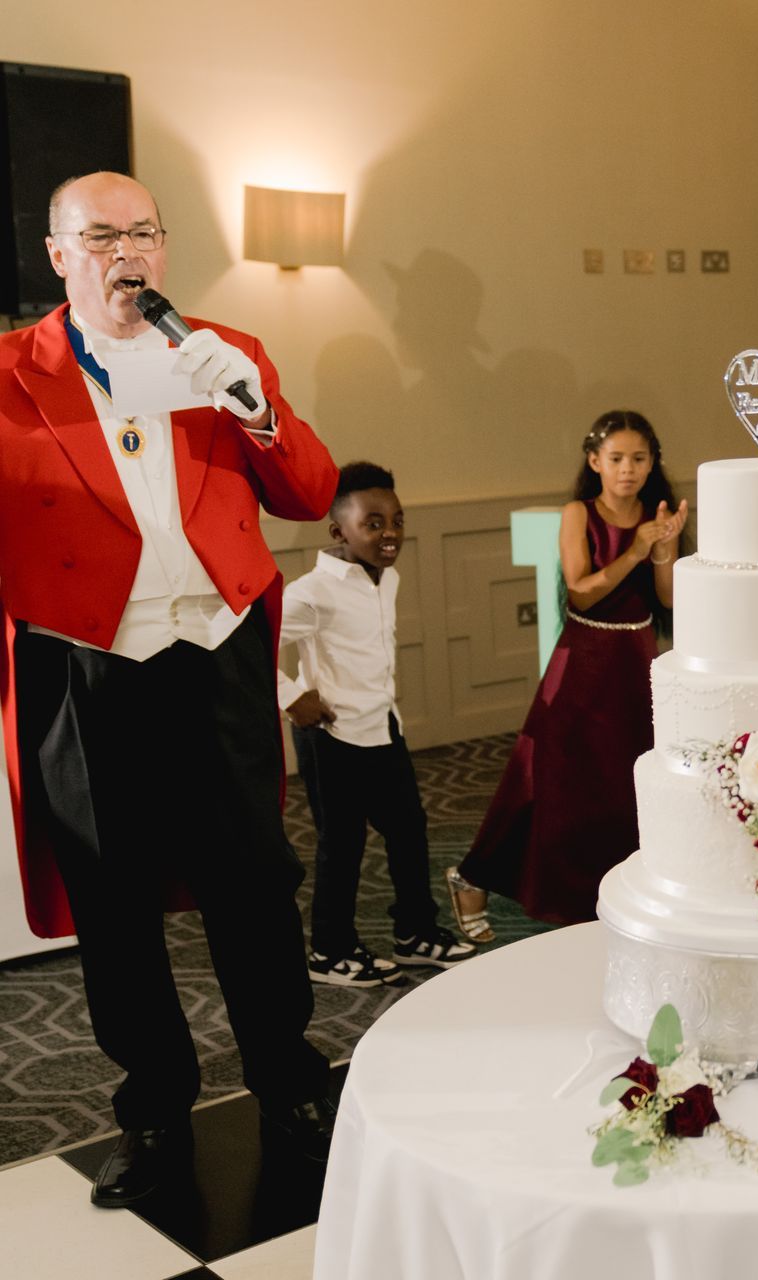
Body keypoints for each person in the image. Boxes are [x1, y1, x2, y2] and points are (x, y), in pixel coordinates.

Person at [0, 172, 339, 1205]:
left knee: (253, 882)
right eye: (100, 234)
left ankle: (289, 1083)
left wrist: (256, 405)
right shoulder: (12, 372)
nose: (125, 249)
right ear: (59, 255)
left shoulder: (222, 349)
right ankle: (154, 1107)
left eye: (142, 230)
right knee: (115, 902)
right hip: (84, 666)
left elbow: (311, 491)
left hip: (217, 652)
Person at [452, 412, 687, 929]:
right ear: (595, 461)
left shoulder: (656, 514)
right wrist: (637, 551)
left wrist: (666, 548)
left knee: (625, 786)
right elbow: (582, 590)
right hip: (582, 659)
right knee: (548, 780)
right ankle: (477, 877)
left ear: (652, 464)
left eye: (639, 459)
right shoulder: (578, 513)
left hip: (636, 661)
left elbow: (669, 599)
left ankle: (615, 893)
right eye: (617, 458)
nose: (628, 469)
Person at [280, 462, 478, 986]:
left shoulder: (385, 576)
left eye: (397, 521)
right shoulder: (311, 591)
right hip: (333, 736)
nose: (390, 533)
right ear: (338, 531)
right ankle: (330, 950)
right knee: (341, 846)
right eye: (373, 523)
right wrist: (292, 694)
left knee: (409, 831)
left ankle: (415, 932)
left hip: (383, 727)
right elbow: (250, 640)